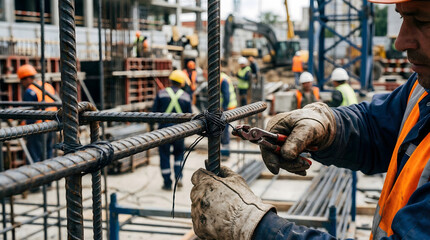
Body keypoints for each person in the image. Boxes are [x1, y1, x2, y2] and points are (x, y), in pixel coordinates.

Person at [190, 0, 430, 239]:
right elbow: (379, 128)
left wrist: (254, 228)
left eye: (422, 20)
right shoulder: (422, 88)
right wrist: (330, 127)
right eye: (401, 17)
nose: (400, 41)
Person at [18, 64, 57, 190]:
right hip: (51, 126)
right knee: (48, 154)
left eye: (22, 80)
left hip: (38, 128)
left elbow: (30, 114)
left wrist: (26, 131)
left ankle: (35, 185)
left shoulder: (30, 91)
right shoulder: (47, 86)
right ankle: (48, 182)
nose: (22, 84)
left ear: (26, 78)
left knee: (35, 156)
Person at [153, 70, 192, 190]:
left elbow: (153, 113)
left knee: (164, 155)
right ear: (182, 83)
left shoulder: (161, 93)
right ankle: (178, 177)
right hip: (179, 130)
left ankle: (167, 182)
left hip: (163, 130)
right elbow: (190, 115)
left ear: (170, 81)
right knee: (179, 154)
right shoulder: (186, 96)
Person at [220, 61, 238, 161]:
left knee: (224, 131)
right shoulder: (222, 77)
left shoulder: (222, 79)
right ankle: (224, 152)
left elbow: (226, 96)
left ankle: (226, 154)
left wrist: (223, 108)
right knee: (223, 130)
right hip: (226, 108)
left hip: (227, 109)